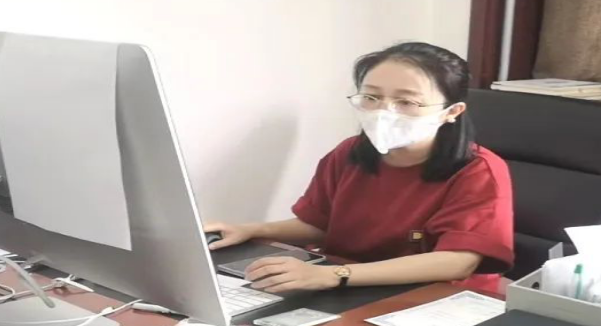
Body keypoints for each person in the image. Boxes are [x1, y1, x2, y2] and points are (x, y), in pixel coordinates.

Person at [205, 42, 514, 292]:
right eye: (371, 97)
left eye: (407, 102)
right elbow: (318, 224)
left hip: (435, 297)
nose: (383, 111)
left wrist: (334, 275)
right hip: (352, 285)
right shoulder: (349, 153)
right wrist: (251, 230)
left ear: (452, 111)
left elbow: (457, 262)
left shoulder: (478, 170)